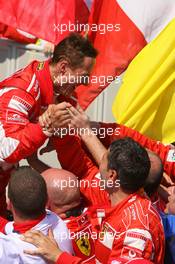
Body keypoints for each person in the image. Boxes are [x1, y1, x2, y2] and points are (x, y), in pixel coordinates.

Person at [0, 32, 97, 215]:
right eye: (83, 76)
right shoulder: (22, 90)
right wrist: (46, 128)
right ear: (63, 67)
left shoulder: (61, 93)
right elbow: (7, 148)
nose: (85, 83)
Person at [24, 137, 165, 263]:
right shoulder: (121, 197)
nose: (97, 167)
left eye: (102, 160)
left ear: (112, 175)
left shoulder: (135, 231)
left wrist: (58, 256)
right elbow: (75, 176)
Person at [0, 166, 72, 263]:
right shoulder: (56, 221)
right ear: (47, 201)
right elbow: (8, 227)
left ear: (9, 205)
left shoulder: (9, 250)